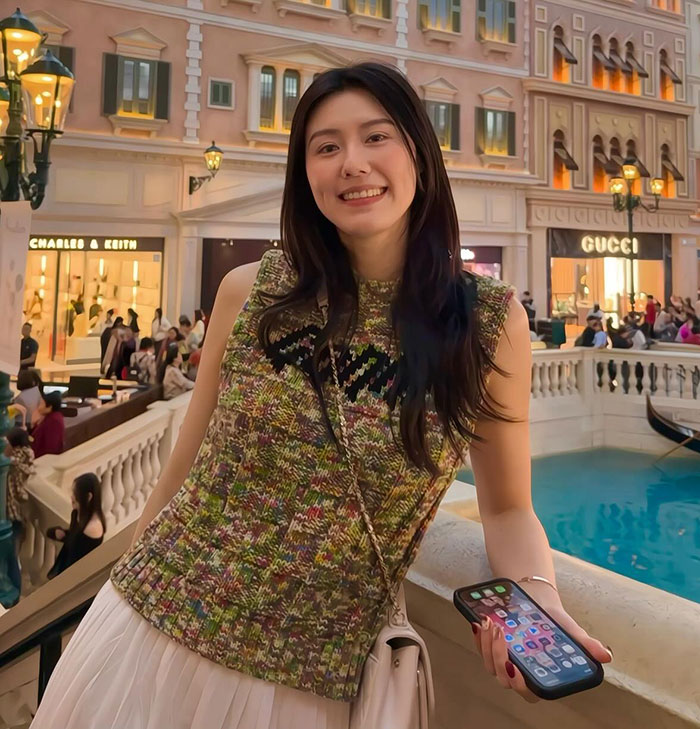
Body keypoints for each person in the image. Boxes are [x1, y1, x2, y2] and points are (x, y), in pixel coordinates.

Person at [32, 62, 611, 728]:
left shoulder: (485, 322)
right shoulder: (251, 292)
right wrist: (116, 588)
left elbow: (507, 508)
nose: (352, 163)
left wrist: (540, 602)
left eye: (375, 138)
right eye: (326, 146)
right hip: (151, 629)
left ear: (419, 153)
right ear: (305, 174)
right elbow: (179, 472)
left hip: (309, 680)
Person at [46, 473, 105, 580]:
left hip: (76, 578)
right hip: (66, 569)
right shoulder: (77, 513)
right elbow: (74, 539)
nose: (72, 497)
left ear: (88, 497)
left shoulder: (93, 528)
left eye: (75, 493)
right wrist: (58, 533)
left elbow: (78, 555)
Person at [4, 427, 35, 595]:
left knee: (10, 558)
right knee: (13, 557)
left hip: (10, 516)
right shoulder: (26, 458)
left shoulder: (11, 466)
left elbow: (10, 490)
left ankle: (13, 594)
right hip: (18, 515)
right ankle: (15, 594)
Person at [31, 391, 65, 458]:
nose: (38, 407)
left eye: (41, 404)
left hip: (43, 460)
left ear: (49, 407)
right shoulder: (50, 417)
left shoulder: (54, 421)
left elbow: (51, 447)